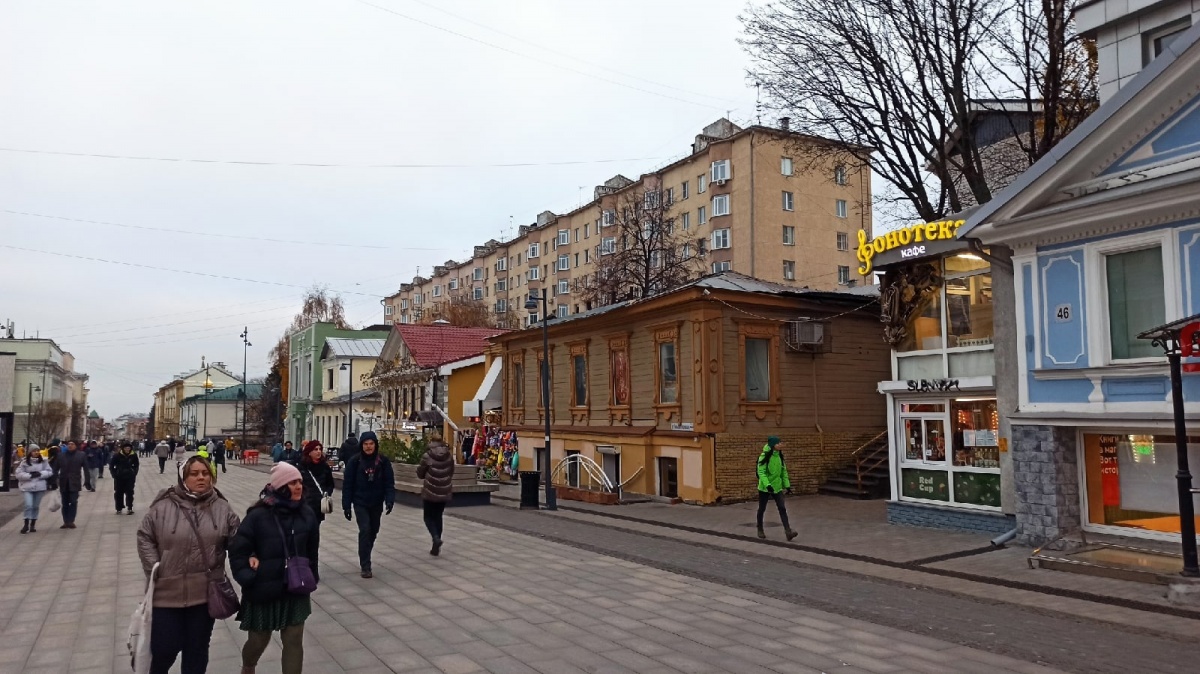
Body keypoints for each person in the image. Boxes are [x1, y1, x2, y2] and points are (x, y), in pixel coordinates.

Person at [136, 456, 240, 674]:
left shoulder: (222, 508)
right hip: (166, 594)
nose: (201, 477)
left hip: (204, 595)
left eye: (205, 473)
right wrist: (154, 566)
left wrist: (254, 554)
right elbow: (145, 536)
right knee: (164, 649)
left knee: (197, 650)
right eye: (194, 474)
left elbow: (239, 541)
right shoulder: (162, 506)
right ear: (183, 477)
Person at [230, 462, 319, 674]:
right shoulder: (258, 515)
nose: (298, 486)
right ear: (279, 487)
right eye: (292, 483)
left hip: (295, 586)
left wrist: (312, 576)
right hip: (264, 587)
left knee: (294, 638)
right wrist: (248, 577)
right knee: (259, 639)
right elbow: (238, 550)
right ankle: (248, 666)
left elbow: (312, 551)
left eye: (299, 482)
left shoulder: (307, 514)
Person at [341, 431, 394, 578]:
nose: (368, 447)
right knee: (365, 529)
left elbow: (389, 483)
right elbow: (348, 485)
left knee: (373, 531)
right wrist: (346, 505)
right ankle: (366, 565)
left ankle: (365, 551)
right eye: (365, 444)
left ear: (375, 445)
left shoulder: (383, 461)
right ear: (361, 445)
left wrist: (390, 499)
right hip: (360, 502)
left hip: (376, 502)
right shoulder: (354, 462)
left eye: (371, 444)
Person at [416, 430, 455, 556]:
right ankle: (436, 544)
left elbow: (420, 473)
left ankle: (435, 538)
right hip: (444, 490)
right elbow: (451, 472)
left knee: (428, 516)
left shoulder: (427, 455)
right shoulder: (448, 455)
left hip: (430, 491)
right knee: (438, 516)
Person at [756, 436, 797, 541]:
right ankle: (760, 528)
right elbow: (761, 472)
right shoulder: (764, 456)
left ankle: (788, 531)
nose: (780, 444)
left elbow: (783, 471)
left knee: (782, 508)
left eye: (780, 442)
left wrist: (787, 485)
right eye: (778, 443)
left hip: (777, 487)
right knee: (762, 508)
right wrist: (768, 485)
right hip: (765, 488)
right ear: (773, 445)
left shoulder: (779, 456)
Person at [298, 440, 334, 533]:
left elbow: (330, 483)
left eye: (320, 449)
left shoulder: (325, 467)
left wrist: (327, 493)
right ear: (309, 452)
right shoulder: (302, 467)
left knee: (315, 530)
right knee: (305, 529)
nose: (318, 451)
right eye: (315, 449)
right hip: (306, 503)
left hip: (319, 504)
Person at [16, 444, 50, 533]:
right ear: (30, 452)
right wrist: (30, 475)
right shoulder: (24, 462)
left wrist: (41, 474)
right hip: (27, 487)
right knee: (28, 505)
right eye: (34, 451)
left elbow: (49, 472)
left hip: (39, 487)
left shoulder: (43, 461)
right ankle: (26, 523)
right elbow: (19, 474)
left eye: (37, 451)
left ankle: (33, 524)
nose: (36, 452)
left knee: (35, 506)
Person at [58, 440, 86, 529]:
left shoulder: (81, 455)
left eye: (72, 444)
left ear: (76, 446)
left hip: (74, 482)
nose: (70, 446)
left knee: (73, 501)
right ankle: (66, 521)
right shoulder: (61, 455)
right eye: (68, 444)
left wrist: (87, 481)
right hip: (64, 482)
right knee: (65, 503)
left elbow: (86, 468)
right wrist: (52, 480)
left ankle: (71, 520)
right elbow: (55, 468)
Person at [110, 440, 140, 514]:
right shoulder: (117, 455)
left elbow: (136, 465)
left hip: (130, 477)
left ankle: (130, 507)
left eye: (128, 448)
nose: (127, 449)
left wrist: (134, 473)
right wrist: (114, 474)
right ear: (123, 448)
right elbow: (111, 466)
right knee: (118, 493)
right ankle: (119, 508)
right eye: (126, 448)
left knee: (130, 492)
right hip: (119, 477)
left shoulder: (133, 455)